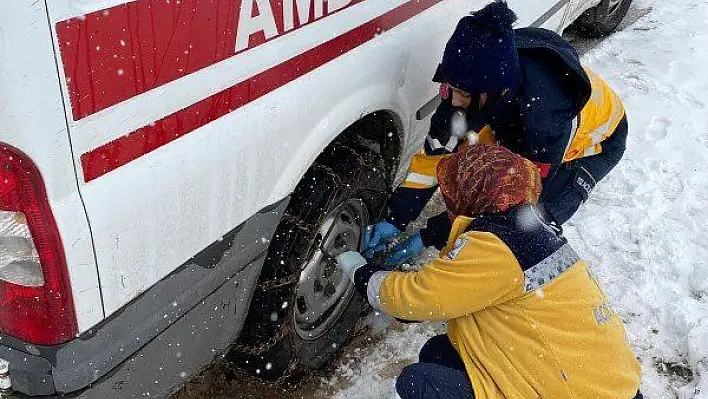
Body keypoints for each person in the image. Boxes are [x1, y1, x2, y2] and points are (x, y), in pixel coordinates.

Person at [338, 144, 642, 399]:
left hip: (573, 391)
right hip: (600, 380)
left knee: (419, 383)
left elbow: (416, 301)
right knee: (441, 352)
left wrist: (362, 273)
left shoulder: (496, 246)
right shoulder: (529, 227)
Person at [365, 0, 628, 264]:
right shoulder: (471, 85)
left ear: (495, 92)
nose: (454, 101)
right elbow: (437, 152)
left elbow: (511, 202)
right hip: (513, 114)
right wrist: (396, 217)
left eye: (463, 94)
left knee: (525, 226)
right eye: (450, 88)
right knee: (471, 155)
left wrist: (431, 235)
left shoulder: (542, 123)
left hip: (598, 142)